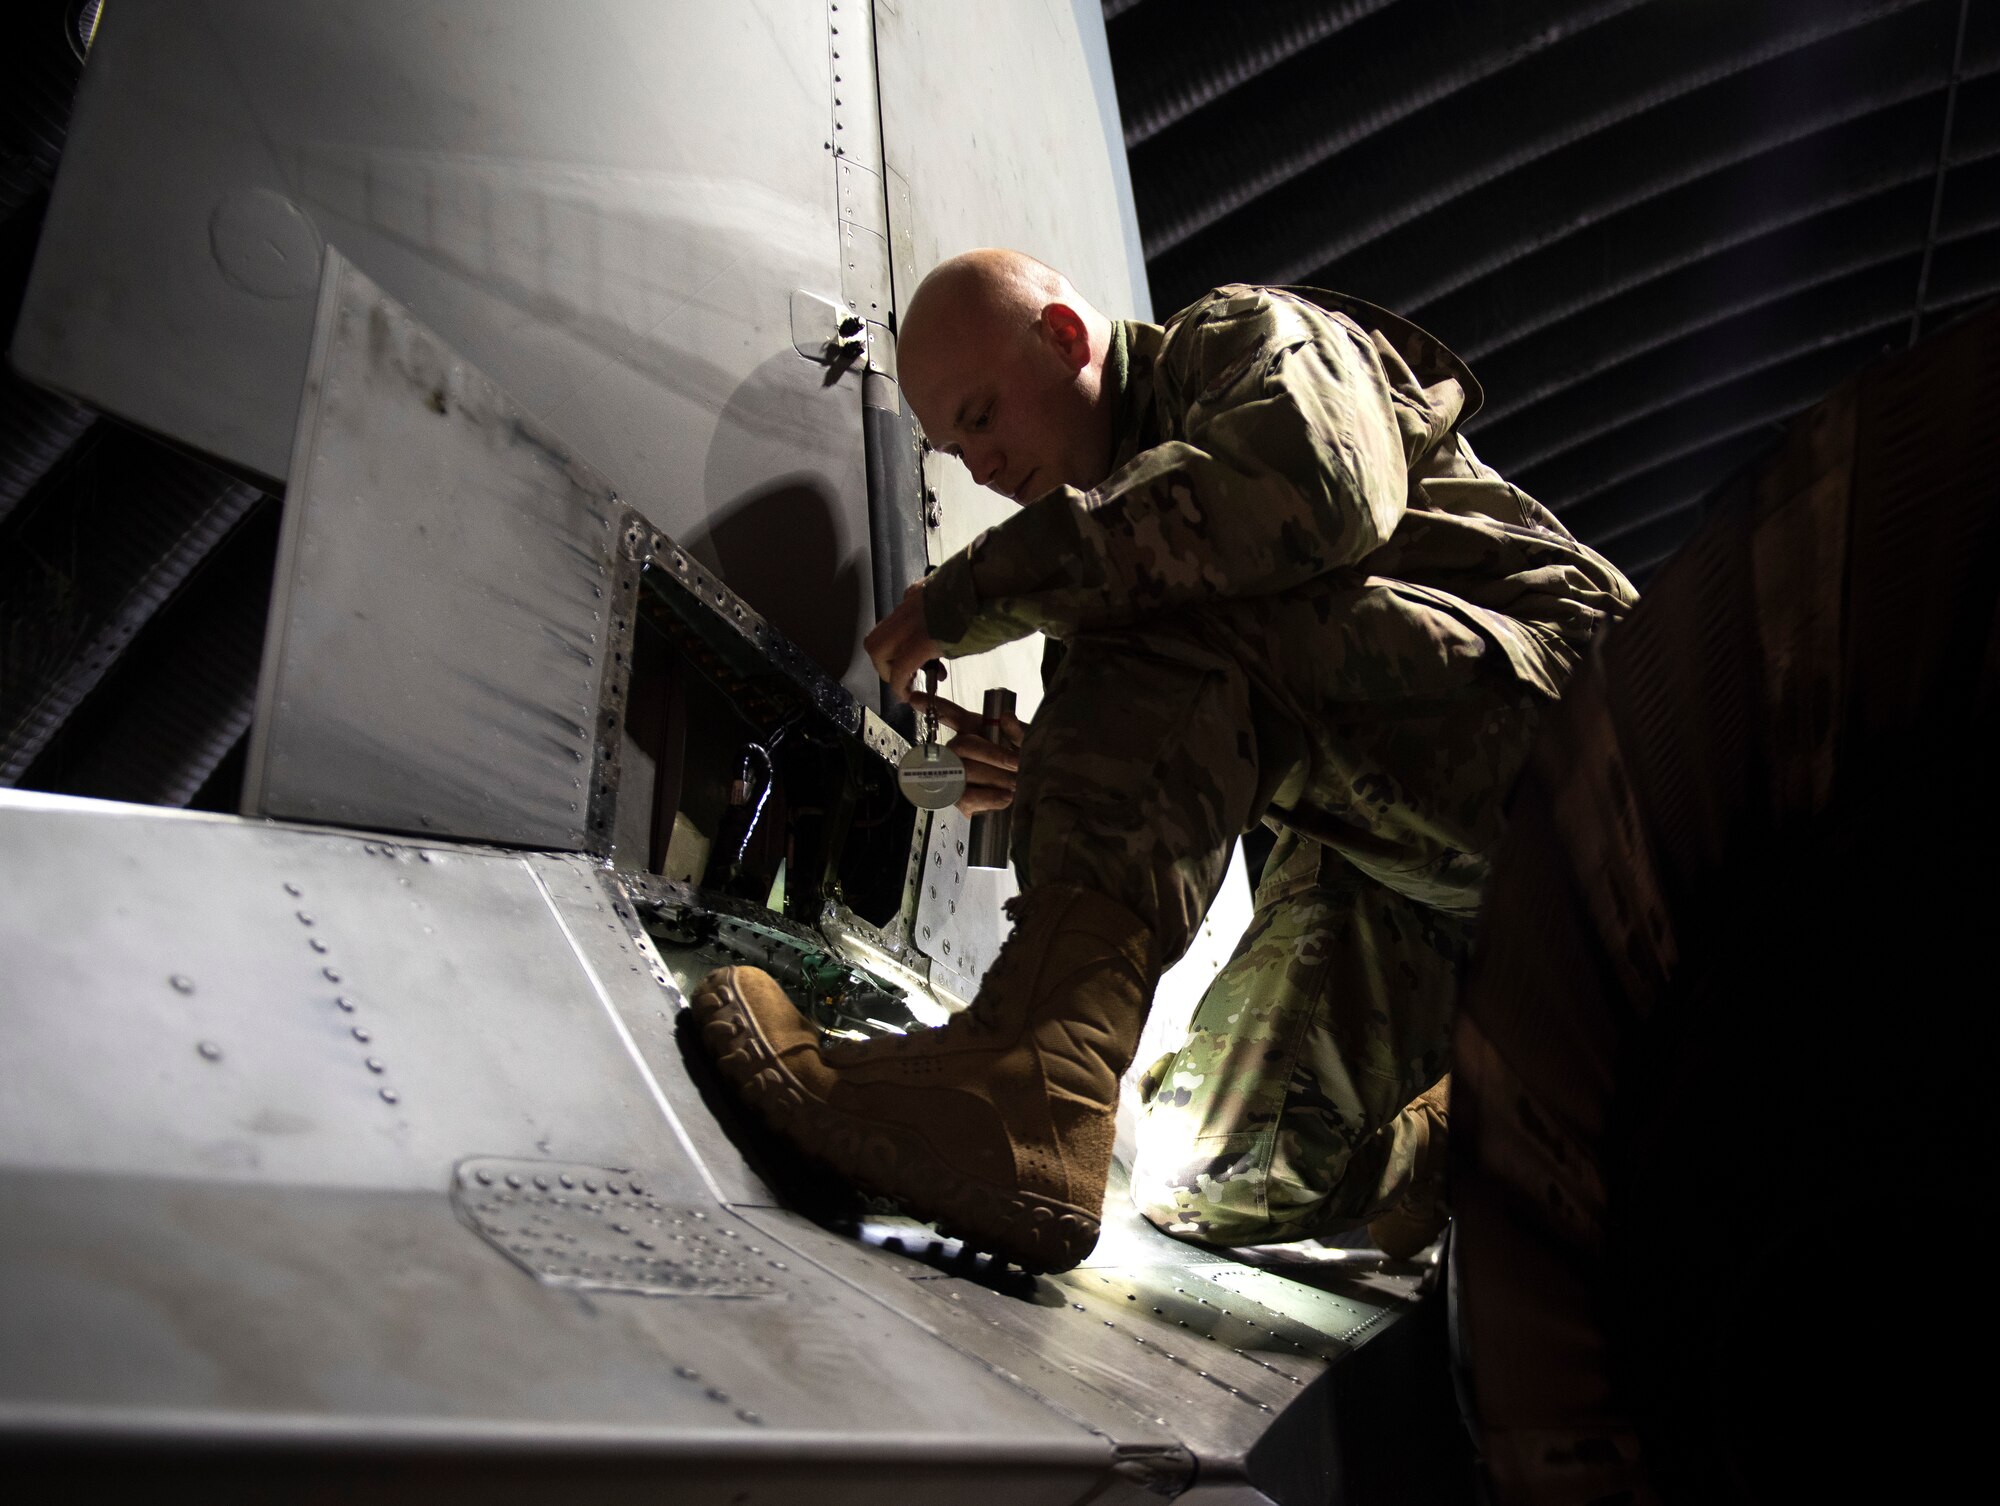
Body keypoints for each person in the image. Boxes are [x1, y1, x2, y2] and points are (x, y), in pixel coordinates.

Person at [690, 249, 1636, 1272]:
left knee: (1169, 588)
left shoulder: (1237, 340)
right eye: (951, 446)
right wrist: (1047, 760)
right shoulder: (1123, 569)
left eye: (978, 415)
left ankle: (1020, 1087)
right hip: (1412, 860)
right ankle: (1466, 1139)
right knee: (1203, 1169)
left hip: (1598, 753)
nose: (977, 464)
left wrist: (964, 595)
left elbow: (1312, 488)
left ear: (1062, 338)